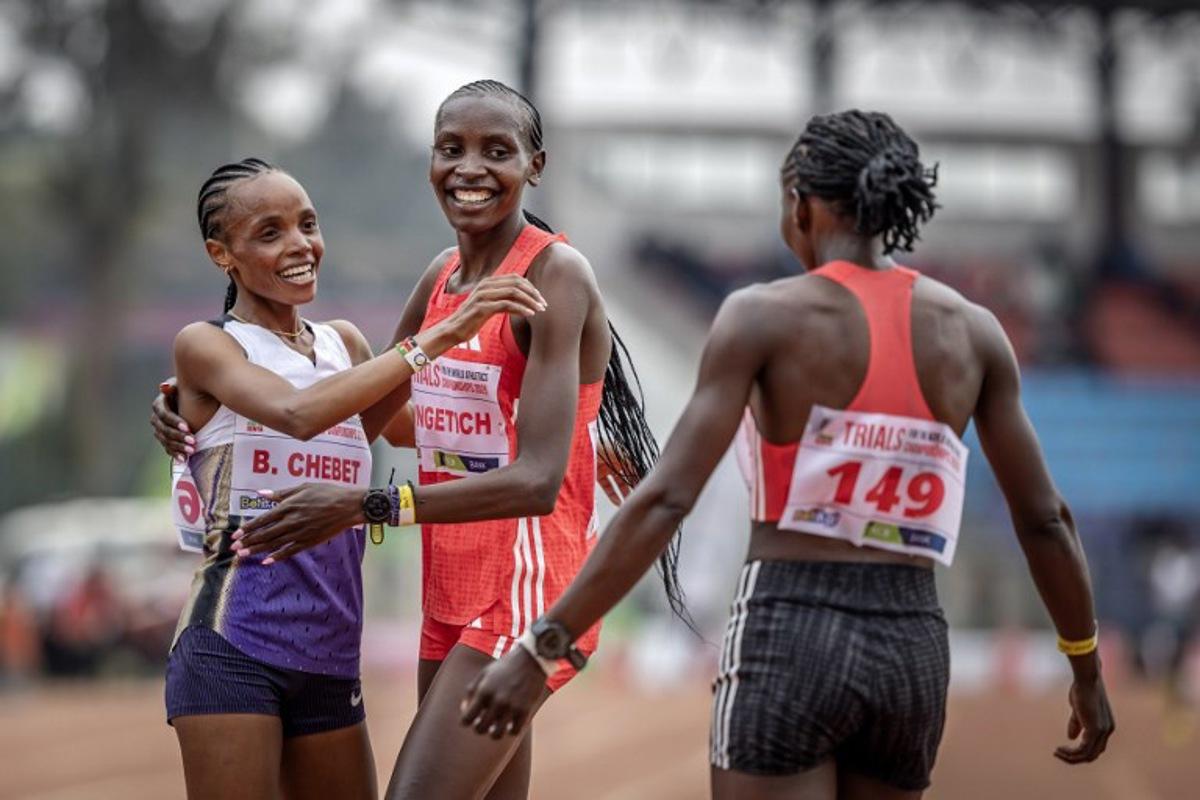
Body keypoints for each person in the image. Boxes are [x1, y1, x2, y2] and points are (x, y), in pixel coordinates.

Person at [459, 110, 1117, 799]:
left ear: (801, 204)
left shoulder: (761, 316)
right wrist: (1086, 666)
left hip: (789, 626)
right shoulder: (975, 334)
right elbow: (1045, 520)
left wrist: (542, 646)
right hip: (911, 645)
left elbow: (666, 499)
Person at [155, 82, 664, 800]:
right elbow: (374, 419)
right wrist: (198, 412)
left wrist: (368, 505)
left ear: (536, 164)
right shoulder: (443, 280)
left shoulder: (553, 272)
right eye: (451, 148)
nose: (470, 167)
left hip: (518, 583)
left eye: (497, 150)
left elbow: (535, 480)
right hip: (440, 584)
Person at [161, 157, 542, 800]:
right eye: (269, 232)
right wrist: (440, 333)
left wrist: (565, 446)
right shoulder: (207, 345)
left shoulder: (345, 345)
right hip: (233, 644)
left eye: (307, 224)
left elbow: (432, 434)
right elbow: (297, 413)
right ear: (220, 254)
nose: (299, 245)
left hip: (331, 655)